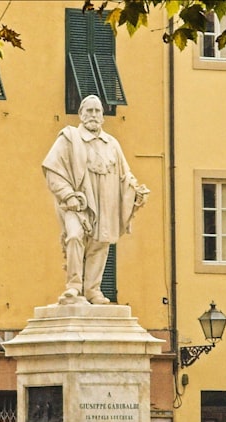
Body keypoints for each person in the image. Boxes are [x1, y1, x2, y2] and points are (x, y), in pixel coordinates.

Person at [42, 94, 149, 306]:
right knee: (74, 236)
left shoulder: (112, 144)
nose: (93, 115)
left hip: (106, 202)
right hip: (78, 202)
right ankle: (74, 286)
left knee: (101, 244)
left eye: (97, 111)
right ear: (80, 114)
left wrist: (135, 190)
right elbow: (52, 170)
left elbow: (124, 175)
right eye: (88, 111)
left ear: (103, 116)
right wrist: (67, 195)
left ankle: (92, 290)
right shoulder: (69, 139)